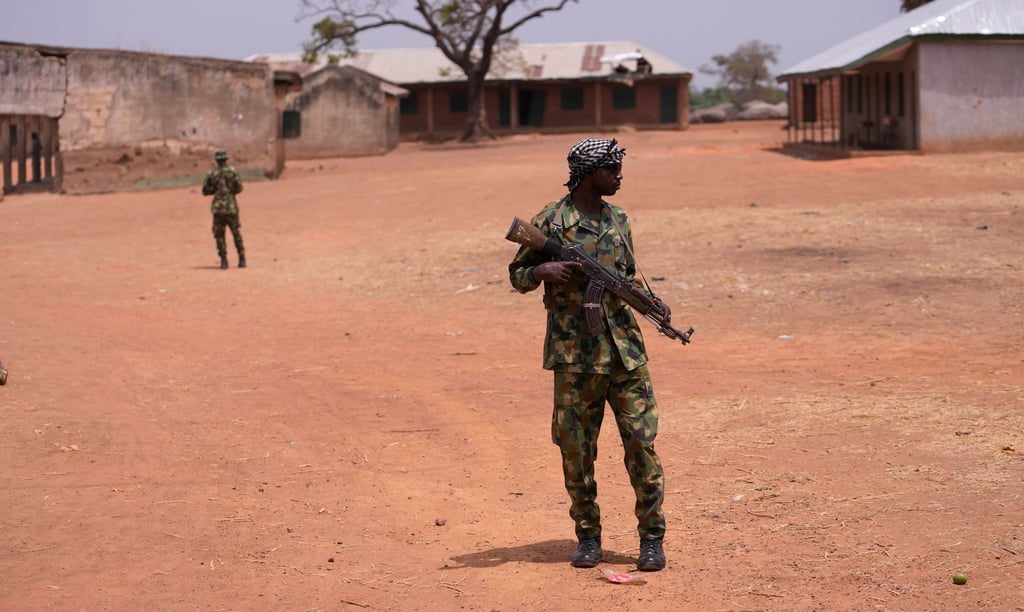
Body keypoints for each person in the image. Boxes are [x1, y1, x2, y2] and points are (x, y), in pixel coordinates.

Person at [508, 137, 668, 572]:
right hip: (575, 358)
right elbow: (517, 275)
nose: (619, 175)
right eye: (611, 168)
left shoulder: (619, 220)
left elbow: (628, 278)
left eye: (619, 167)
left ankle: (652, 539)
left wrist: (652, 305)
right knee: (577, 450)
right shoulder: (552, 220)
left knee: (642, 445)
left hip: (626, 355)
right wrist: (543, 270)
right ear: (588, 173)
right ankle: (588, 537)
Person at [202, 149, 246, 269]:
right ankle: (242, 258)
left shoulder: (212, 174)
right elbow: (239, 188)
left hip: (218, 208)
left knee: (219, 235)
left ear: (217, 160)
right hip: (231, 207)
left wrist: (216, 191)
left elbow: (205, 190)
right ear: (226, 159)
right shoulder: (233, 171)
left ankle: (224, 260)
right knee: (236, 232)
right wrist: (230, 192)